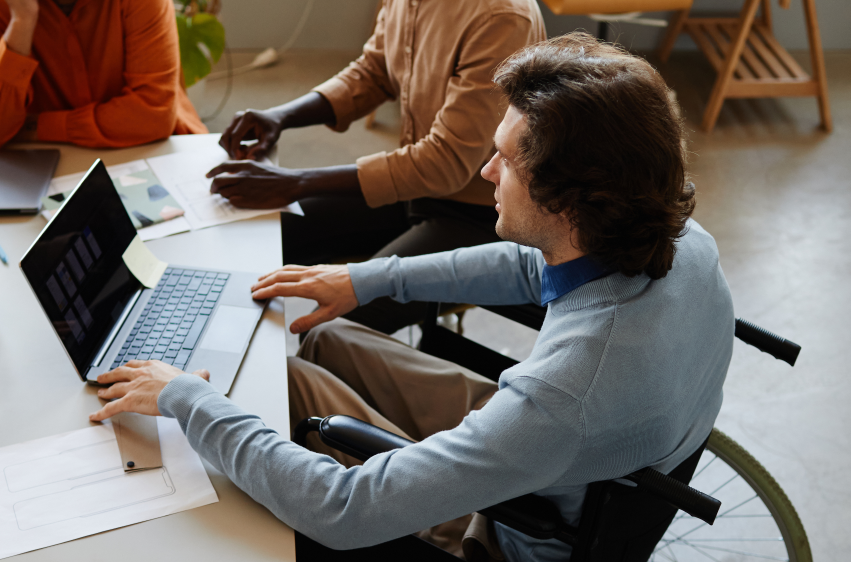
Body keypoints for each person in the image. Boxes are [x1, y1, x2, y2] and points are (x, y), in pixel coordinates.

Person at [89, 34, 735, 561]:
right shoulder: (676, 235)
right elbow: (525, 266)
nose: (485, 172)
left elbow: (345, 510)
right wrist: (364, 279)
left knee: (272, 403)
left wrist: (189, 401)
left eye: (506, 161)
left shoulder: (568, 393)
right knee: (324, 337)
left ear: (567, 199)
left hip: (509, 530)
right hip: (576, 463)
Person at [204, 0, 546, 334]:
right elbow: (375, 70)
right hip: (417, 189)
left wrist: (297, 182)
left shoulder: (502, 16)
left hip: (487, 217)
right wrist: (282, 116)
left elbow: (446, 163)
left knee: (330, 331)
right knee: (267, 231)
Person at [0, 0, 207, 150]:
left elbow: (153, 114)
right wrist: (22, 21)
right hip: (44, 164)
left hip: (152, 149)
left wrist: (37, 126)